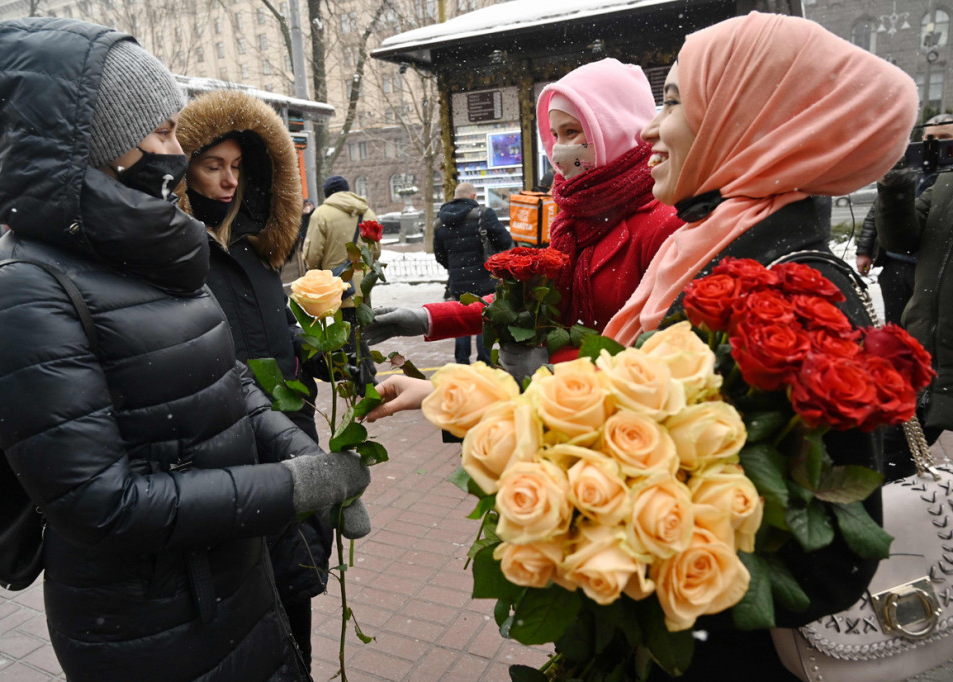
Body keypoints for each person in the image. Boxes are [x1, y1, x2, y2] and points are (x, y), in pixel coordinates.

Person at [369, 12, 916, 679]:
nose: (650, 128)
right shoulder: (708, 248)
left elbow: (825, 568)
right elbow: (627, 407)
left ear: (749, 118)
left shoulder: (791, 292)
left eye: (678, 101)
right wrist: (454, 390)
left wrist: (618, 532)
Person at [0, 18, 371, 681]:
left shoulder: (148, 248)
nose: (176, 150)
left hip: (231, 577)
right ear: (98, 139)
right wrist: (285, 489)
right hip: (148, 625)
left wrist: (297, 453)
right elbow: (100, 501)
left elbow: (221, 378)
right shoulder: (26, 287)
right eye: (162, 131)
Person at [367, 58, 683, 369]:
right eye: (555, 135)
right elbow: (524, 303)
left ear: (615, 129)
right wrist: (427, 318)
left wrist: (552, 367)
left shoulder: (663, 223)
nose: (559, 150)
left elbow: (664, 354)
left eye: (572, 131)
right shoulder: (573, 219)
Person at [175, 89, 333, 669]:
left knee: (297, 608)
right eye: (212, 166)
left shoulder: (257, 255)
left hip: (292, 449)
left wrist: (331, 352)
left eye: (238, 167)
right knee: (248, 625)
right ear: (182, 170)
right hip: (231, 466)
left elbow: (280, 344)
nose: (227, 181)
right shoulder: (175, 265)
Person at [874, 116, 953, 478]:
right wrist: (895, 187)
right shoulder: (942, 188)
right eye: (932, 142)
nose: (939, 151)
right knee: (891, 456)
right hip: (931, 357)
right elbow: (900, 237)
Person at [855, 113, 953, 324]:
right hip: (894, 265)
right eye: (928, 139)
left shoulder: (946, 182)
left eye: (944, 138)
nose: (934, 146)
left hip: (929, 269)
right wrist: (864, 250)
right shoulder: (909, 171)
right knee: (896, 327)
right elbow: (877, 213)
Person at [302, 174, 380, 393]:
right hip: (363, 284)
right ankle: (365, 376)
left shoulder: (322, 214)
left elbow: (312, 255)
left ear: (328, 194)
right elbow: (376, 250)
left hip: (336, 283)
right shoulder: (367, 212)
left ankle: (363, 381)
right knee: (359, 330)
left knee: (343, 332)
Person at [433, 181, 512, 364]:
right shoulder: (483, 215)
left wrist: (454, 267)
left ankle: (461, 361)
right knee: (484, 317)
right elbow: (504, 240)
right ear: (473, 196)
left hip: (457, 281)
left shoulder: (440, 221)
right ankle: (484, 360)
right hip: (485, 277)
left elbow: (439, 255)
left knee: (461, 318)